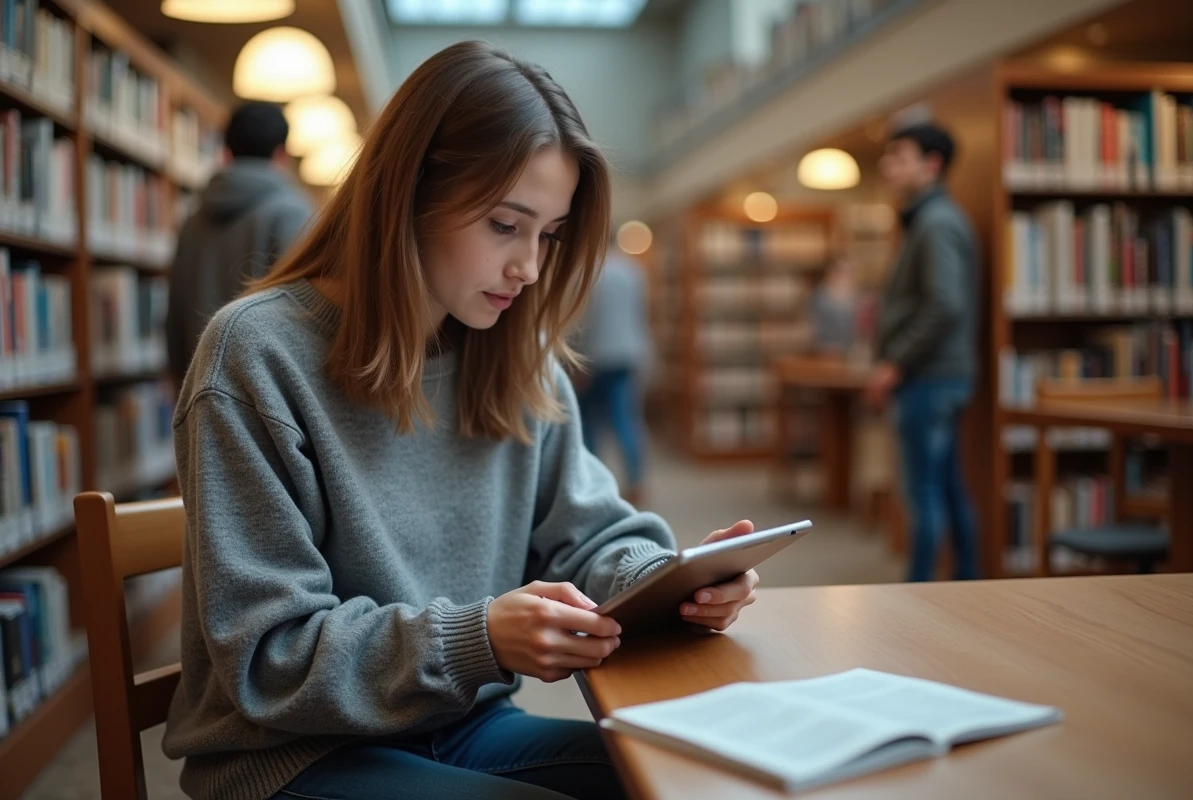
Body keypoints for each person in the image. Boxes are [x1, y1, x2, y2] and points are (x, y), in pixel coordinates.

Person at [163, 41, 760, 800]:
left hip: (461, 725)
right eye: (505, 226)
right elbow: (267, 657)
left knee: (688, 781)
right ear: (408, 193)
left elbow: (593, 534)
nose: (531, 269)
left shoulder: (512, 354)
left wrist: (666, 582)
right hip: (293, 752)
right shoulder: (254, 354)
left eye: (549, 234)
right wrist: (475, 638)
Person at [867, 122, 980, 583]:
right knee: (948, 490)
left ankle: (918, 592)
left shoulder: (936, 224)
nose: (887, 165)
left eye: (900, 156)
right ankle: (970, 583)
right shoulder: (931, 220)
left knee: (925, 494)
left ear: (932, 164)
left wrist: (897, 363)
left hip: (928, 378)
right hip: (937, 376)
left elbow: (944, 304)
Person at [165, 101, 313, 388]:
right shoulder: (293, 214)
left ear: (227, 152)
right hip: (266, 395)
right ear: (281, 154)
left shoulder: (192, 220)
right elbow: (304, 317)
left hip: (199, 388)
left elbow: (175, 314)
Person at [574, 246, 652, 505]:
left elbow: (585, 319)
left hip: (596, 357)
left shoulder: (589, 272)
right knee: (626, 421)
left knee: (590, 424)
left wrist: (578, 356)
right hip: (629, 355)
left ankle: (594, 485)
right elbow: (642, 313)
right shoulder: (633, 270)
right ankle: (637, 482)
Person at [809, 254, 860, 357]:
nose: (845, 276)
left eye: (849, 272)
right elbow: (816, 327)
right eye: (841, 271)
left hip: (850, 351)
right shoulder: (820, 296)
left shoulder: (856, 297)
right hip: (826, 351)